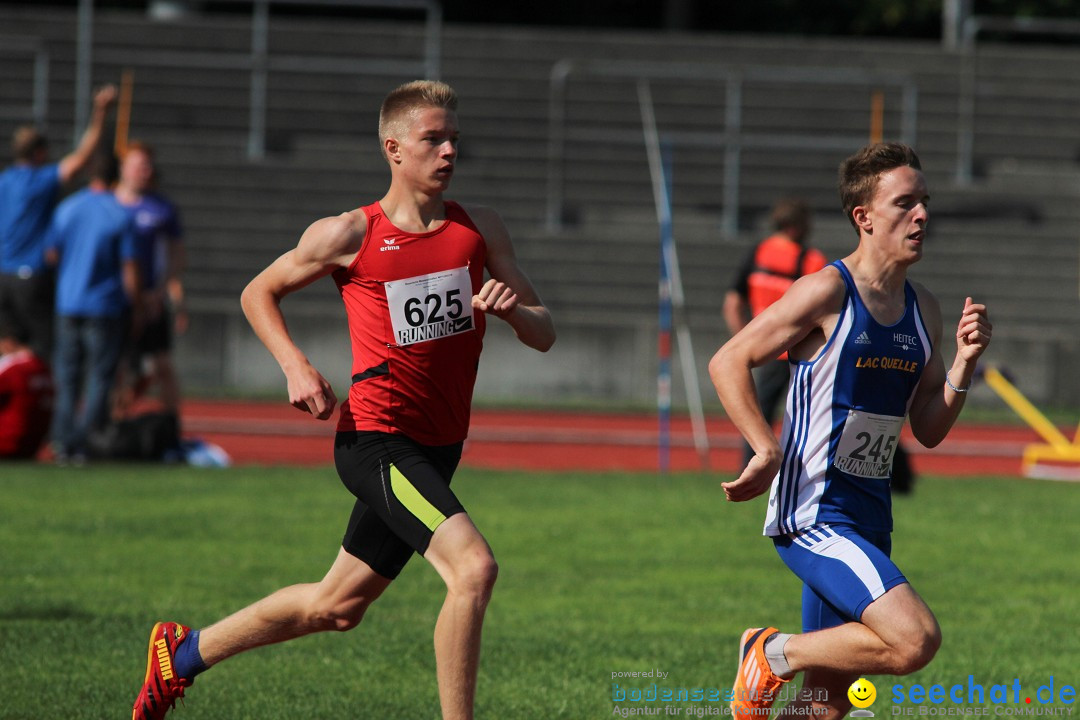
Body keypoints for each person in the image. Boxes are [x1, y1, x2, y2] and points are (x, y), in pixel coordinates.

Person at [131, 80, 556, 720]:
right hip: (376, 441)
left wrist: (513, 311)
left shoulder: (479, 230)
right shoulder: (351, 232)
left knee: (336, 607)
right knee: (473, 570)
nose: (447, 153)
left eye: (454, 141)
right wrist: (295, 366)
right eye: (432, 140)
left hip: (438, 448)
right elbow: (257, 292)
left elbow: (546, 333)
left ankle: (182, 656)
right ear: (393, 148)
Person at [708, 142, 991, 720]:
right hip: (814, 514)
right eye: (905, 203)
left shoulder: (924, 309)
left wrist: (963, 364)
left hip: (870, 515)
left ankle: (784, 662)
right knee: (914, 639)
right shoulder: (826, 291)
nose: (922, 216)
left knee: (825, 704)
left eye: (925, 202)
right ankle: (770, 651)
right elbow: (728, 360)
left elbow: (929, 429)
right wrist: (765, 446)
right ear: (864, 217)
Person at [0, 85, 118, 359]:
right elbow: (81, 158)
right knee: (42, 349)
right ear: (39, 153)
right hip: (30, 275)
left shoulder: (4, 181)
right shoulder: (39, 181)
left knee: (8, 345)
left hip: (2, 276)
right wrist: (100, 112)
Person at [46, 151, 140, 464]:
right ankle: (87, 439)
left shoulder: (67, 208)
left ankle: (62, 440)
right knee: (99, 375)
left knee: (67, 375)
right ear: (116, 176)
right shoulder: (120, 213)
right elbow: (130, 268)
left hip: (68, 302)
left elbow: (51, 255)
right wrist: (136, 306)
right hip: (105, 305)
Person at [723, 197, 826, 466]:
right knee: (812, 417)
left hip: (765, 350)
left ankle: (752, 466)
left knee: (758, 415)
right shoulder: (812, 260)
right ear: (798, 226)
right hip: (797, 353)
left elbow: (733, 304)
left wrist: (744, 344)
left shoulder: (758, 252)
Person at [113, 141, 187, 416]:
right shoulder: (107, 204)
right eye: (138, 164)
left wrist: (163, 291)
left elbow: (176, 255)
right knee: (117, 367)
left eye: (147, 165)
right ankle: (113, 422)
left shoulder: (161, 208)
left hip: (151, 299)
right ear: (124, 167)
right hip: (116, 300)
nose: (144, 171)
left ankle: (171, 425)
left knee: (162, 365)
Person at [0, 317, 54, 460]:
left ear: (9, 342)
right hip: (32, 446)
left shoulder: (13, 369)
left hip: (7, 441)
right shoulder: (44, 368)